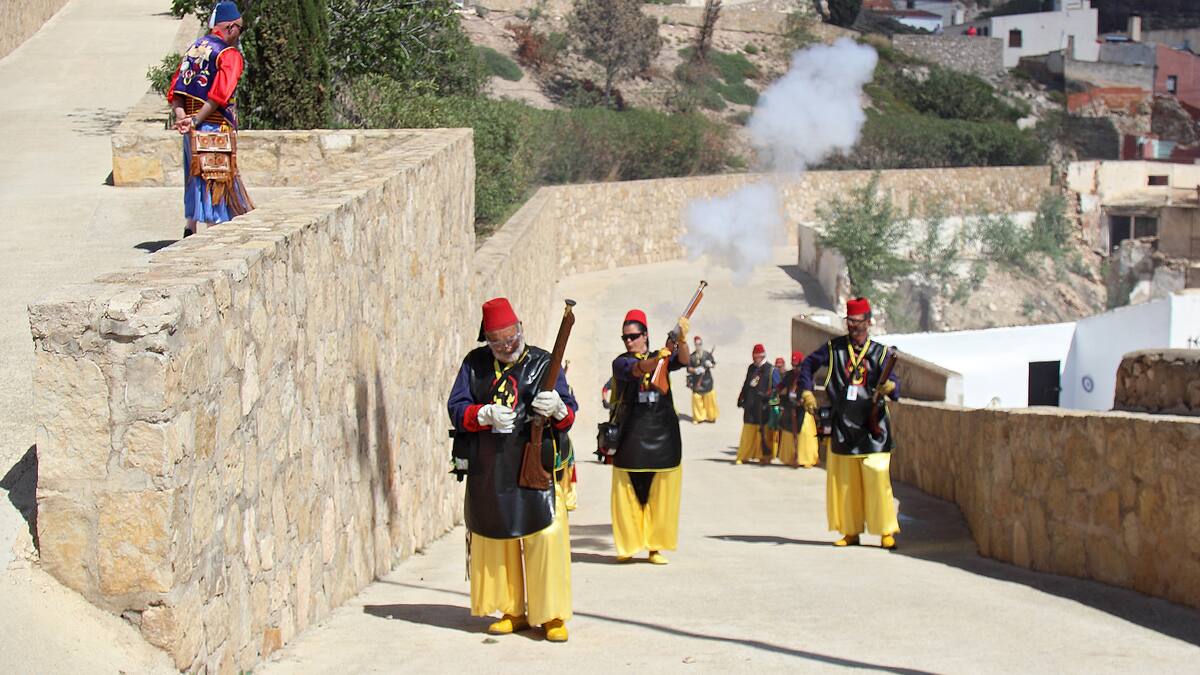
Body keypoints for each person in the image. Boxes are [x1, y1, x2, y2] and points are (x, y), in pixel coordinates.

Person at [447, 298, 578, 641]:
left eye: (512, 338)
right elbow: (456, 408)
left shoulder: (543, 363)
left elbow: (570, 416)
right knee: (496, 539)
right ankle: (512, 611)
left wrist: (558, 407)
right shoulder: (474, 365)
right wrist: (482, 414)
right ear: (486, 339)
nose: (507, 346)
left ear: (521, 330)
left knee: (547, 536)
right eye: (498, 341)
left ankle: (552, 616)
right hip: (490, 469)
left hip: (533, 464)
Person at [799, 297, 901, 549]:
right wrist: (806, 390)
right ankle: (850, 531)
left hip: (873, 426)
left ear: (868, 323)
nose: (853, 327)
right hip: (843, 425)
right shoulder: (833, 349)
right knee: (845, 485)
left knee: (877, 476)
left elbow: (895, 385)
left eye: (857, 323)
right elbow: (808, 364)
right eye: (850, 322)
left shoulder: (879, 353)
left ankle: (886, 531)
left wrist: (891, 386)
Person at [609, 309, 690, 564]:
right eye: (625, 338)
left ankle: (656, 547)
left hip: (664, 433)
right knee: (629, 493)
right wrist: (659, 358)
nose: (628, 342)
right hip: (631, 435)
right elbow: (637, 369)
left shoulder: (663, 358)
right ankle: (628, 545)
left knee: (661, 494)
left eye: (633, 336)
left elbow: (685, 361)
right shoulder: (621, 361)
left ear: (645, 335)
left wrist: (682, 340)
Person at [168, 1, 254, 238]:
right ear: (230, 27)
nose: (239, 35)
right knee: (216, 178)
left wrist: (183, 118)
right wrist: (196, 121)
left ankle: (190, 225)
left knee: (194, 175)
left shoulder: (194, 48)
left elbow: (176, 89)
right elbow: (220, 94)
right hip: (213, 126)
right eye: (240, 29)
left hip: (191, 128)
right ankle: (215, 229)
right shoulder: (228, 54)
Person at [735, 344, 778, 465]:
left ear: (762, 356)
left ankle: (763, 456)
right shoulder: (751, 368)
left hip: (763, 407)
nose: (754, 360)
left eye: (756, 357)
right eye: (753, 357)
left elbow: (776, 389)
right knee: (748, 432)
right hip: (750, 405)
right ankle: (744, 455)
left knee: (762, 433)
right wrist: (741, 397)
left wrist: (767, 397)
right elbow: (746, 384)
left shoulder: (771, 370)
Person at [776, 351, 819, 469]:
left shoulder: (806, 375)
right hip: (791, 406)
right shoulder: (790, 374)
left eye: (797, 365)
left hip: (803, 408)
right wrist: (776, 390)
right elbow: (782, 385)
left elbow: (810, 389)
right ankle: (790, 458)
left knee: (804, 433)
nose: (795, 367)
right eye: (793, 365)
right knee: (788, 432)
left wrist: (804, 399)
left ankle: (806, 458)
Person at [686, 335, 719, 424]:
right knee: (697, 399)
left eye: (700, 344)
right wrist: (696, 370)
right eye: (697, 344)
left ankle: (711, 416)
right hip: (697, 381)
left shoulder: (707, 354)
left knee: (709, 399)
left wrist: (710, 364)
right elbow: (688, 368)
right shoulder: (692, 356)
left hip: (707, 381)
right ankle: (698, 417)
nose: (699, 346)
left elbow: (714, 364)